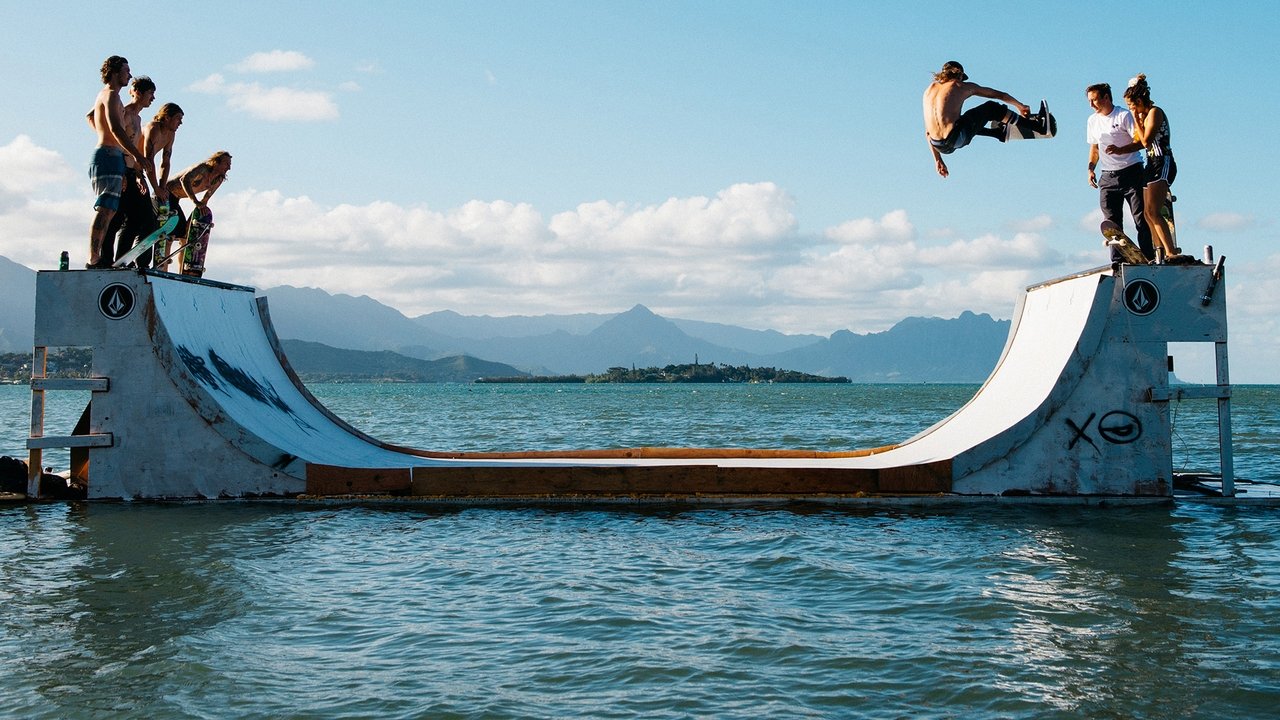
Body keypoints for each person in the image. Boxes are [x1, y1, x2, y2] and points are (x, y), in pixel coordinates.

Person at [923, 60, 1046, 178]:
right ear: (959, 75)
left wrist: (937, 160)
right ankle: (1038, 127)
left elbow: (928, 132)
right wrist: (1020, 106)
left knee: (965, 120)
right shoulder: (959, 86)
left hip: (938, 145)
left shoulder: (929, 91)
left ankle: (998, 133)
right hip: (956, 137)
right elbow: (999, 95)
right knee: (991, 108)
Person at [86, 56, 150, 268]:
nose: (129, 75)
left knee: (112, 210)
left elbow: (93, 117)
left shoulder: (109, 97)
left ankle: (100, 257)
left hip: (113, 157)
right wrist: (137, 156)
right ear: (115, 72)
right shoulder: (111, 95)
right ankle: (94, 258)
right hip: (108, 155)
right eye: (126, 71)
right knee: (105, 209)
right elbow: (116, 129)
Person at [1106, 75, 1178, 260]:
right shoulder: (1144, 115)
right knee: (1147, 213)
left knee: (1154, 210)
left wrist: (1137, 119)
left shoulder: (1155, 112)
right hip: (1151, 163)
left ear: (1139, 101)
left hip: (1162, 161)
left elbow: (1145, 141)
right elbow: (1140, 143)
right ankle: (1159, 251)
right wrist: (1120, 149)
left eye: (1132, 106)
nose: (1131, 110)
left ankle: (1170, 250)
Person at [1086, 82, 1153, 261]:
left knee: (1141, 219)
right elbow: (1094, 147)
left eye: (1094, 100)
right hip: (1108, 176)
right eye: (1089, 101)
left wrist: (1120, 150)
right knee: (1112, 223)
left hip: (1132, 172)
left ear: (1106, 97)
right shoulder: (1092, 120)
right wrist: (1091, 168)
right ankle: (1118, 260)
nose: (1091, 105)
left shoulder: (1123, 115)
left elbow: (1141, 142)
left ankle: (1149, 256)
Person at [104, 76, 158, 267]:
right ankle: (111, 260)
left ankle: (126, 260)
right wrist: (121, 172)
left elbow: (134, 148)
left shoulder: (139, 118)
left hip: (131, 172)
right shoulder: (125, 113)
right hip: (121, 170)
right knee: (119, 219)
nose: (152, 98)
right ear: (139, 93)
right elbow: (118, 142)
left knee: (141, 220)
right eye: (150, 94)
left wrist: (138, 175)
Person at [166, 151, 232, 276]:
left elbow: (206, 199)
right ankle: (163, 269)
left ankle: (182, 272)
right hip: (166, 195)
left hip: (176, 199)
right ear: (216, 162)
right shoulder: (203, 169)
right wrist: (194, 201)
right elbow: (184, 179)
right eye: (226, 163)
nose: (229, 167)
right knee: (171, 234)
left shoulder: (218, 179)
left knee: (185, 238)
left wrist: (201, 211)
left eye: (230, 164)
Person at [141, 103, 184, 269]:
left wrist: (162, 185)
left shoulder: (170, 134)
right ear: (167, 117)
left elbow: (165, 162)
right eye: (178, 119)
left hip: (147, 175)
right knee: (140, 221)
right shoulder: (153, 129)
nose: (180, 123)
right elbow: (148, 159)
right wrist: (156, 188)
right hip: (134, 169)